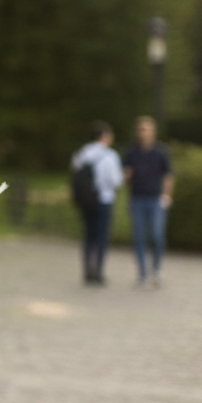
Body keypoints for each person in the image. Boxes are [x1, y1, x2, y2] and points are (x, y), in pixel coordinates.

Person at [71, 120, 125, 286]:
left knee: (88, 235)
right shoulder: (110, 156)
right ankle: (98, 272)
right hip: (104, 199)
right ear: (105, 136)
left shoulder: (81, 154)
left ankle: (87, 270)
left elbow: (75, 175)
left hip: (86, 200)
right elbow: (115, 181)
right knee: (101, 237)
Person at [122, 115, 174, 286]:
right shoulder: (131, 152)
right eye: (141, 129)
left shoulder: (160, 152)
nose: (143, 133)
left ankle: (157, 269)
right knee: (138, 238)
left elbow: (168, 175)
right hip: (137, 199)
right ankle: (142, 274)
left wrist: (166, 196)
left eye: (147, 129)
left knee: (158, 236)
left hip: (155, 200)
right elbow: (126, 175)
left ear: (153, 132)